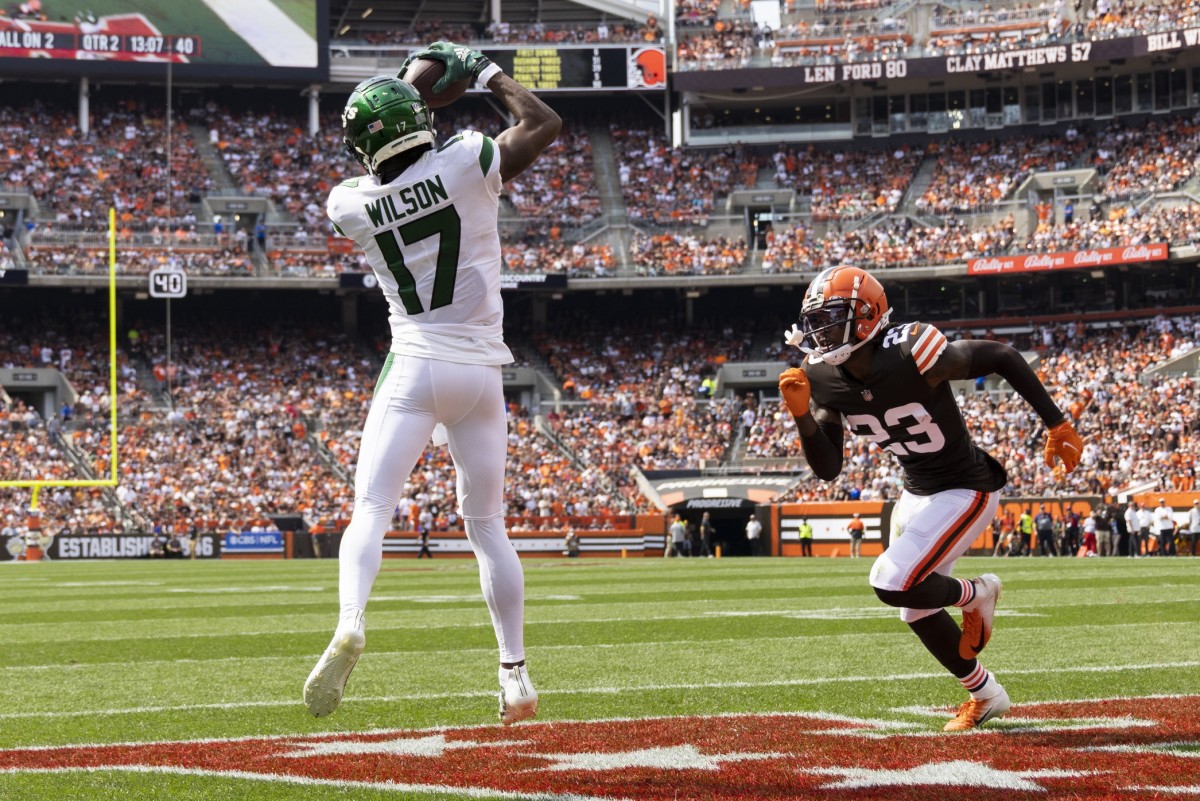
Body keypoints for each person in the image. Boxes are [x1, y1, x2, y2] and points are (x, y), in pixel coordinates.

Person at [304, 42, 561, 728]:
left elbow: (382, 128)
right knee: (487, 528)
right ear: (421, 123)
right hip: (480, 371)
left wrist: (405, 97)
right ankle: (514, 673)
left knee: (372, 508)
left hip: (415, 364)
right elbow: (541, 122)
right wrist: (480, 72)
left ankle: (351, 622)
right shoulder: (467, 160)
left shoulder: (348, 205)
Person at [778, 265, 1082, 732]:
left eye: (830, 318)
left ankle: (977, 593)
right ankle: (986, 695)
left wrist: (1057, 422)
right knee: (913, 603)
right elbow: (828, 468)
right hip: (916, 490)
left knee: (890, 578)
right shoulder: (821, 375)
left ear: (865, 317)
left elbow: (1000, 355)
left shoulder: (912, 349)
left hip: (965, 487)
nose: (819, 332)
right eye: (814, 321)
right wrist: (803, 417)